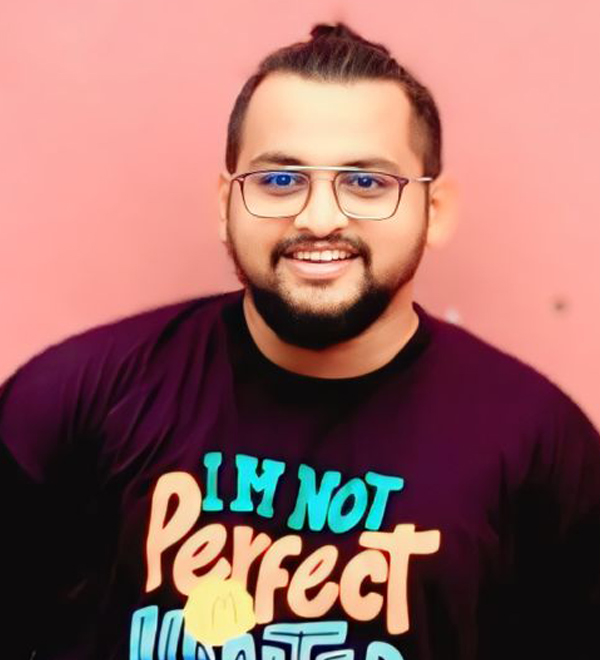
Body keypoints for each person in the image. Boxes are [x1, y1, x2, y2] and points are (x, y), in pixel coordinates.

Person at [1, 22, 599, 660]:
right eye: (280, 181)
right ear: (225, 204)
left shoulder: (541, 447)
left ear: (435, 210)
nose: (319, 219)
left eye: (367, 183)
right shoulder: (69, 402)